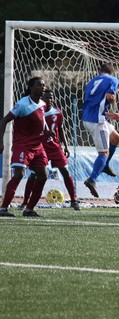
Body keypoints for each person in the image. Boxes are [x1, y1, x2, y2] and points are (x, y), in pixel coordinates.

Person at [19, 89, 80, 211]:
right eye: (46, 98)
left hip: (55, 147)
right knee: (34, 174)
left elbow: (60, 129)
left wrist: (66, 146)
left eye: (51, 97)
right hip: (40, 147)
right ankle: (25, 202)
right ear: (42, 99)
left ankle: (73, 200)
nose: (49, 100)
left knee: (65, 171)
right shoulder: (36, 111)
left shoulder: (57, 112)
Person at [0, 77, 49, 217]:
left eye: (44, 85)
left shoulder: (43, 104)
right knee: (19, 173)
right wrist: (1, 142)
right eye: (39, 85)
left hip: (38, 147)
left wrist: (47, 132)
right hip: (23, 146)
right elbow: (4, 121)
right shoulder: (22, 104)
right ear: (31, 87)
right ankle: (3, 208)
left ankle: (29, 209)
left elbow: (42, 121)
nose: (43, 88)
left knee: (43, 175)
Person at [82, 63, 119, 198]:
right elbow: (110, 97)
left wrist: (111, 116)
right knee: (103, 153)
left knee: (116, 138)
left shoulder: (91, 82)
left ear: (100, 72)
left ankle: (105, 165)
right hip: (97, 123)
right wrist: (114, 97)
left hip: (90, 119)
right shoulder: (112, 80)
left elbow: (94, 106)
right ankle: (92, 179)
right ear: (111, 72)